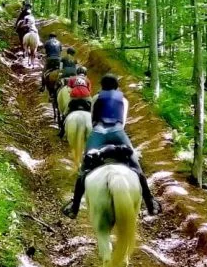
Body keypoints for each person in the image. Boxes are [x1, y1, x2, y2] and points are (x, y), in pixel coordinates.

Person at [62, 74, 161, 218]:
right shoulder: (124, 100)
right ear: (117, 86)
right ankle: (150, 202)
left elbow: (93, 119)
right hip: (118, 133)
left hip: (98, 133)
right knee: (136, 166)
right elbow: (123, 121)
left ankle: (74, 207)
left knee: (84, 168)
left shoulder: (96, 98)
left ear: (102, 86)